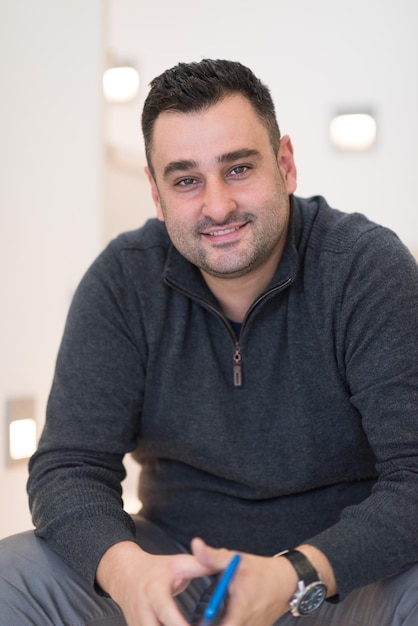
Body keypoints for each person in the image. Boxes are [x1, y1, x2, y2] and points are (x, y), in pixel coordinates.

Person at [1, 58, 417, 626]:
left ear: (285, 164)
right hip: (173, 573)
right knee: (12, 574)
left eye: (238, 169)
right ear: (156, 191)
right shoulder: (124, 279)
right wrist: (127, 572)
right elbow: (71, 464)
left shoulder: (366, 267)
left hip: (337, 582)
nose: (217, 206)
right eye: (187, 180)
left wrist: (295, 574)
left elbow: (414, 473)